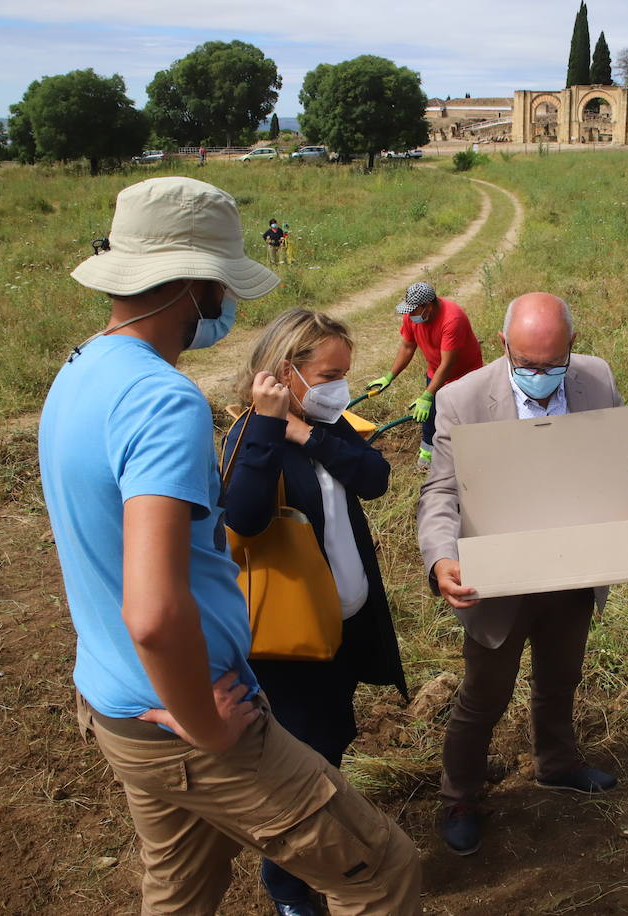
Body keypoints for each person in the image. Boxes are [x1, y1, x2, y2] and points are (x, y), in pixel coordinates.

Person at [38, 176, 421, 916]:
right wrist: (208, 724)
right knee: (382, 872)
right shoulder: (163, 399)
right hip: (189, 712)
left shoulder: (80, 371)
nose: (229, 304)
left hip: (118, 703)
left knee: (180, 892)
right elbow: (155, 610)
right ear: (194, 284)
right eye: (224, 284)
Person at [416, 292, 628, 856]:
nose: (539, 375)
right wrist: (440, 559)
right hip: (497, 578)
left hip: (574, 568)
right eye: (526, 364)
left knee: (559, 679)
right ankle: (460, 794)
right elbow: (441, 491)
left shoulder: (595, 379)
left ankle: (556, 762)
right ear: (503, 345)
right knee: (483, 694)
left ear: (572, 347)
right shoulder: (462, 397)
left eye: (552, 365)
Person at [222, 308, 410, 916]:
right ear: (285, 372)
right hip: (291, 638)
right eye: (329, 373)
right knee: (305, 757)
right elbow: (245, 517)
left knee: (331, 739)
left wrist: (311, 433)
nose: (341, 386)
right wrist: (274, 430)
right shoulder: (247, 437)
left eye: (345, 373)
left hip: (344, 624)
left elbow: (375, 477)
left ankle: (309, 860)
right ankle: (287, 882)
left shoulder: (328, 422)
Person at [366, 281, 484, 469]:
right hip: (435, 370)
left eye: (413, 310)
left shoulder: (453, 319)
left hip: (465, 374)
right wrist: (389, 377)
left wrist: (427, 394)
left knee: (464, 414)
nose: (409, 314)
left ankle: (468, 454)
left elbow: (448, 364)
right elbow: (407, 347)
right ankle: (428, 452)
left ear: (428, 306)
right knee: (429, 414)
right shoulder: (412, 317)